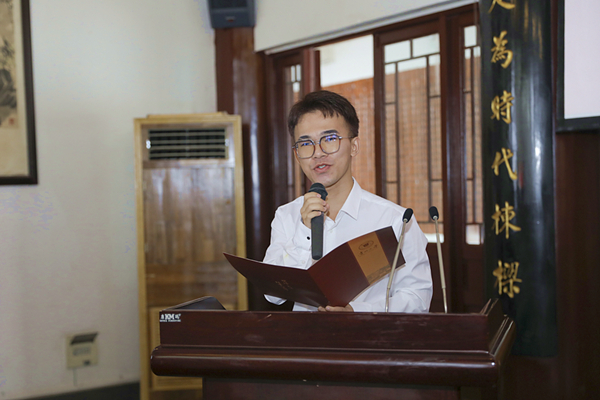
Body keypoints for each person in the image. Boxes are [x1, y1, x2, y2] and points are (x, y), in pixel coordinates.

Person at [263, 90, 432, 312]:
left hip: (370, 334)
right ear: (296, 155)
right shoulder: (286, 216)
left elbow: (417, 299)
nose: (318, 153)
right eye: (305, 143)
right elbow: (273, 296)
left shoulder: (396, 220)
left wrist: (357, 311)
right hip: (306, 335)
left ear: (354, 146)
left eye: (329, 139)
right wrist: (304, 231)